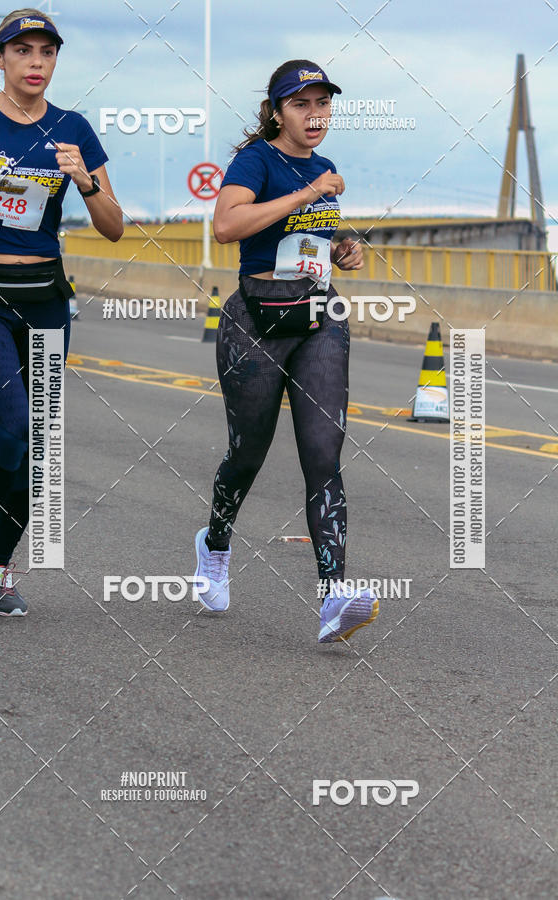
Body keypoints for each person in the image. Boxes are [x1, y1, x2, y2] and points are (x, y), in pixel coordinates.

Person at [194, 60, 379, 643]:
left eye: (322, 102)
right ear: (278, 111)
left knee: (322, 454)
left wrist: (343, 246)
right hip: (256, 320)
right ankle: (215, 544)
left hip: (319, 316)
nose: (315, 113)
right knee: (247, 455)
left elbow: (308, 236)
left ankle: (333, 599)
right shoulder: (257, 161)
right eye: (301, 103)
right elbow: (227, 225)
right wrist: (309, 191)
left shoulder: (323, 167)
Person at [0, 8, 123, 617]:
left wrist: (85, 181)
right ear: (0, 58)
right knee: (10, 428)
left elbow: (114, 228)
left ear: (56, 61)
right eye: (22, 51)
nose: (35, 63)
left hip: (47, 302)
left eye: (46, 53)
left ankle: (1, 567)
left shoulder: (72, 127)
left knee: (39, 442)